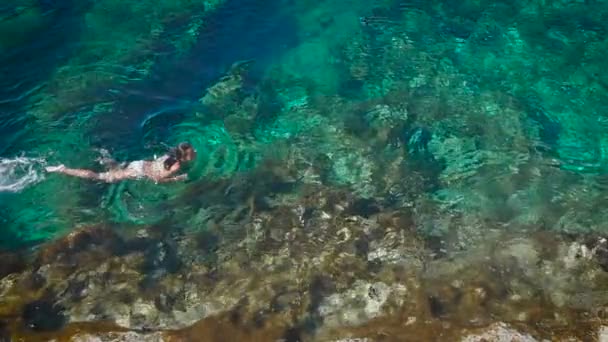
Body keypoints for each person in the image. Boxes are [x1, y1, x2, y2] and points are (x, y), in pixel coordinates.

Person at [45, 142, 196, 184]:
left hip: (140, 164)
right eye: (192, 152)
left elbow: (157, 163)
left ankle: (103, 156)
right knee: (101, 177)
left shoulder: (170, 155)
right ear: (183, 157)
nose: (195, 151)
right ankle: (64, 169)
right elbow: (158, 179)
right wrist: (178, 179)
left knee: (115, 168)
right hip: (140, 171)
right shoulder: (177, 166)